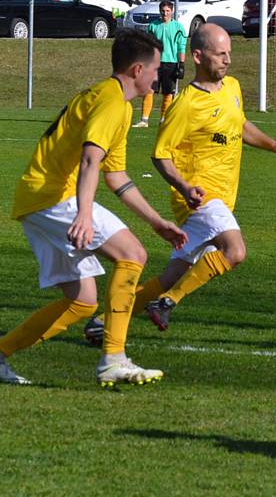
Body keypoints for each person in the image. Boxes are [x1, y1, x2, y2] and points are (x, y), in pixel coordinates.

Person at [84, 23, 276, 342]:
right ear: (198, 56)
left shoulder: (232, 87)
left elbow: (240, 125)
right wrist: (185, 188)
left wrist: (275, 146)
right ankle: (168, 302)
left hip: (223, 198)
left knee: (173, 275)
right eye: (220, 53)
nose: (227, 59)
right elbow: (160, 154)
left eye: (229, 53)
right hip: (199, 197)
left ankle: (103, 322)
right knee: (234, 251)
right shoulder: (185, 104)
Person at [0, 29, 188, 387]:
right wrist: (84, 215)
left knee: (83, 302)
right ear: (137, 70)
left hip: (39, 197)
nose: (157, 76)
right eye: (154, 69)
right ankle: (114, 359)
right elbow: (90, 161)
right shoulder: (112, 102)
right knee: (132, 254)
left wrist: (155, 221)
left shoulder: (113, 99)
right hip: (53, 196)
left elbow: (115, 176)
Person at [133, 0, 187, 128]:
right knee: (149, 90)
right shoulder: (153, 26)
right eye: (163, 11)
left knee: (168, 93)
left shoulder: (179, 28)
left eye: (168, 11)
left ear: (172, 11)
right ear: (159, 11)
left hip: (171, 63)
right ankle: (144, 120)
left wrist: (182, 65)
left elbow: (181, 47)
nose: (165, 13)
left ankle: (163, 120)